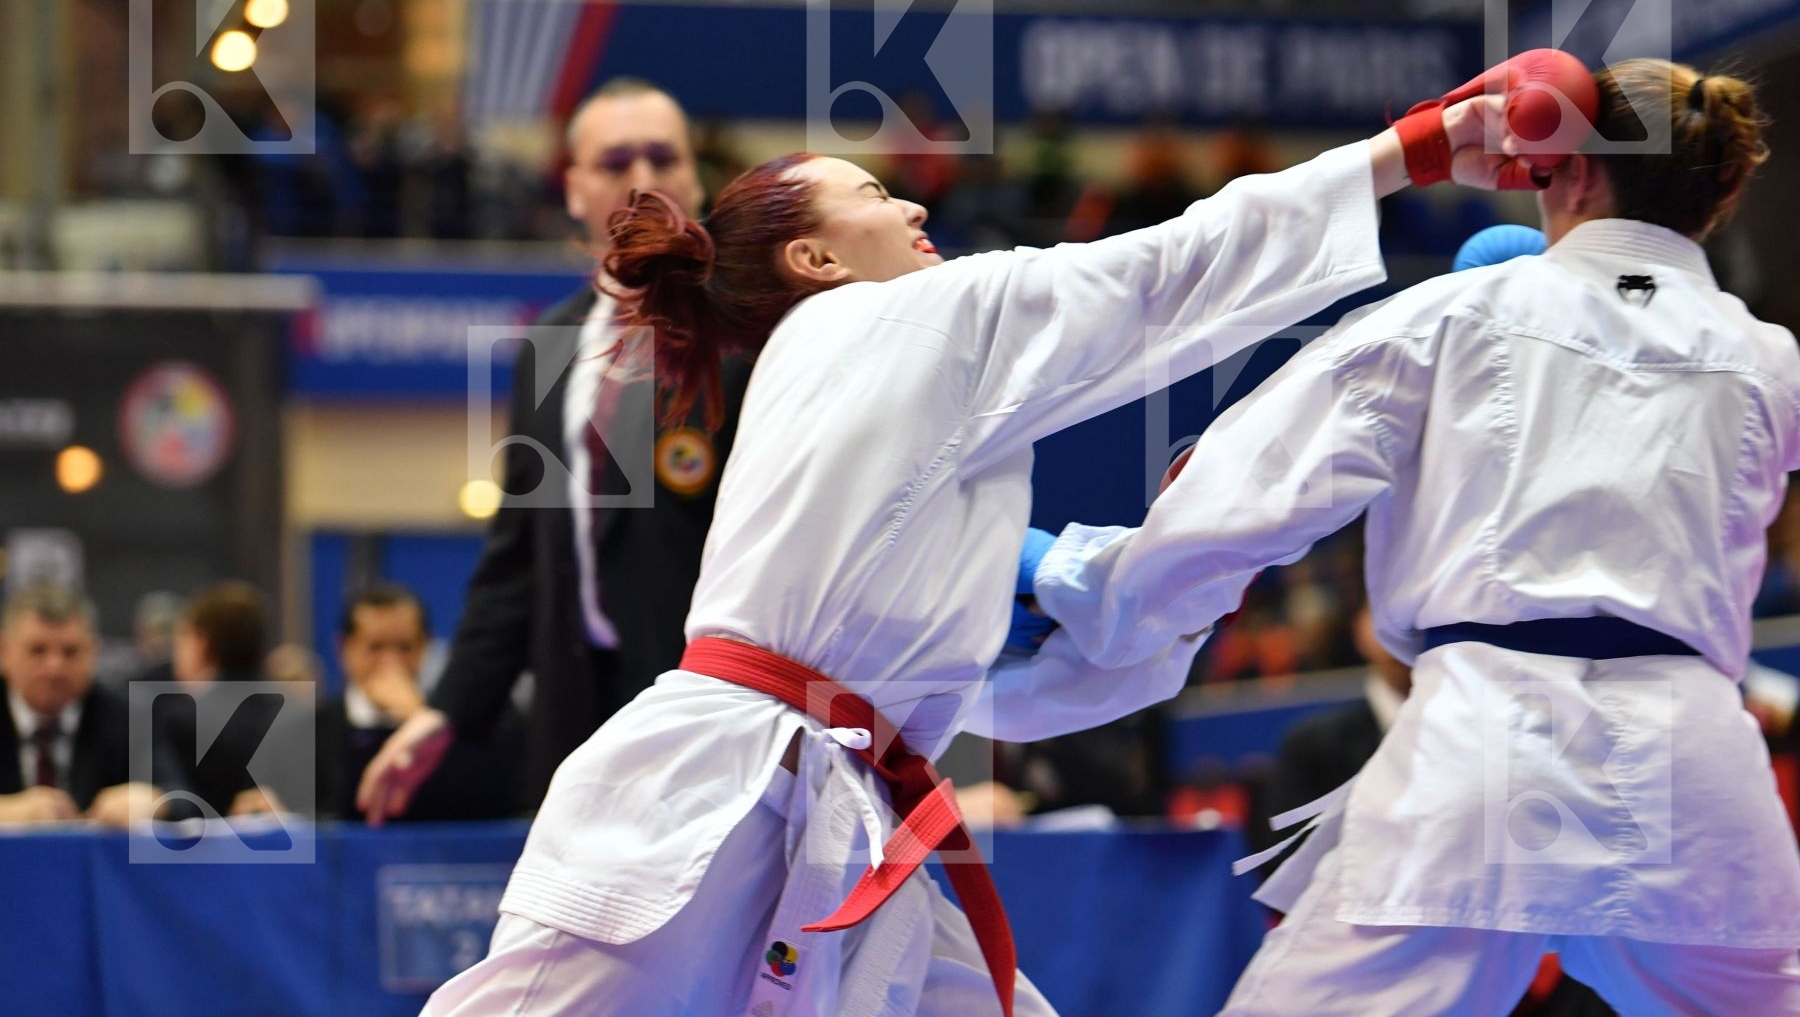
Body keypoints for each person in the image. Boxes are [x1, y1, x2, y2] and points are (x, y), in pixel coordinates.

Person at [421, 85, 1515, 1014]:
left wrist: (1127, 568)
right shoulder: (902, 320)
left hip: (850, 794)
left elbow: (1014, 687)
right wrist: (1405, 151)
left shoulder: (873, 384)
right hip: (717, 784)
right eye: (870, 194)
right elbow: (1160, 276)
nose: (907, 202)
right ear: (815, 256)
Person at [1033, 59, 1800, 1013]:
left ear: (1562, 170)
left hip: (1488, 746)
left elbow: (1256, 487)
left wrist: (1101, 593)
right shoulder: (1771, 359)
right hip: (1697, 759)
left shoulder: (1463, 312)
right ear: (1713, 200)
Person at [359, 79, 754, 821]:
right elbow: (517, 562)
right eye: (614, 162)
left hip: (711, 720)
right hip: (576, 718)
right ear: (573, 189)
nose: (641, 180)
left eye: (663, 158)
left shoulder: (743, 331)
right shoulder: (549, 347)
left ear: (695, 178)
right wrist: (443, 713)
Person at [317, 583, 520, 822]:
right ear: (345, 648)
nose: (391, 662)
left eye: (405, 647)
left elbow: (494, 798)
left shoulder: (474, 719)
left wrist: (416, 715)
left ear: (425, 645)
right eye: (375, 647)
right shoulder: (314, 727)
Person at [0, 584, 167, 826]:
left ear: (93, 652)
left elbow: (182, 791)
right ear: (4, 651)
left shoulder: (127, 717)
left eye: (70, 652)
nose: (54, 667)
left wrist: (153, 800)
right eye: (37, 650)